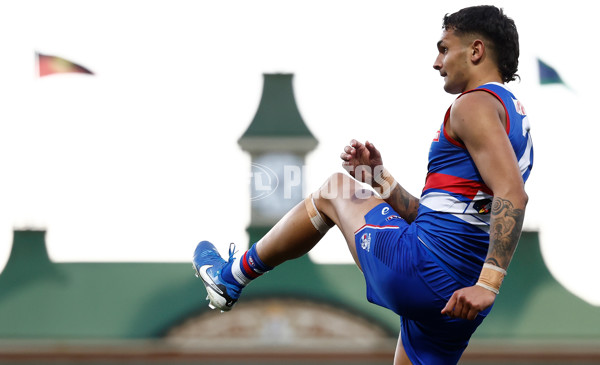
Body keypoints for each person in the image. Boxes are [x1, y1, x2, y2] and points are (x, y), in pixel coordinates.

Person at [193, 5, 533, 364]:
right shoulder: (512, 115)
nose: (436, 61)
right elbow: (441, 216)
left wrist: (488, 284)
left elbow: (512, 195)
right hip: (458, 294)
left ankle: (230, 277)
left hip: (430, 271)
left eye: (445, 48)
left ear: (476, 50)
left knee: (335, 189)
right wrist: (378, 178)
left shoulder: (473, 105)